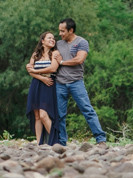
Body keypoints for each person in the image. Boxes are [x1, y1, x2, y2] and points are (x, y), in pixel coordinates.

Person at [53, 17, 106, 145]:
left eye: (62, 31)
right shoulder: (58, 44)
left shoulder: (82, 42)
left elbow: (79, 59)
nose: (60, 34)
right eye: (59, 31)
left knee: (87, 110)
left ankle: (101, 139)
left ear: (71, 30)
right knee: (60, 115)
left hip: (76, 82)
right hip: (59, 83)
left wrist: (61, 62)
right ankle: (61, 142)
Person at [25, 32, 61, 146]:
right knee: (37, 116)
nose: (52, 40)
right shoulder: (36, 54)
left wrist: (36, 71)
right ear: (43, 41)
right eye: (49, 38)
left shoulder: (55, 53)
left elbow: (53, 68)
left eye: (53, 38)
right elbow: (30, 72)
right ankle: (39, 143)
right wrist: (41, 77)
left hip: (49, 85)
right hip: (37, 84)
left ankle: (55, 141)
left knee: (43, 115)